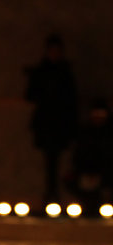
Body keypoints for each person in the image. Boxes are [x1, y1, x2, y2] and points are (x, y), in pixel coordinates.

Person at [24, 34, 78, 203]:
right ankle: (50, 195)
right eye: (52, 51)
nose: (55, 54)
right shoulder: (42, 72)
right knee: (49, 161)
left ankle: (54, 195)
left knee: (56, 161)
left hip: (60, 123)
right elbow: (30, 95)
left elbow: (72, 100)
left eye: (57, 51)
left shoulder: (65, 73)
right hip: (46, 123)